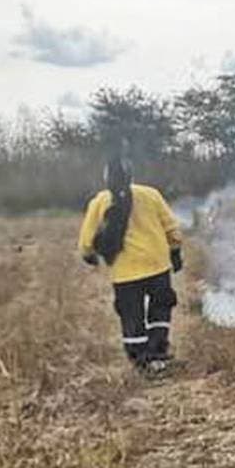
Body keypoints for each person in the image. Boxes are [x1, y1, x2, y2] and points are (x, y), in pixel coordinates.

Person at [78, 157, 183, 373]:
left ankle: (142, 361)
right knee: (161, 308)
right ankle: (158, 351)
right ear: (132, 175)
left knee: (131, 316)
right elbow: (172, 228)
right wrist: (175, 251)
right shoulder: (150, 194)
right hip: (157, 265)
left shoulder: (100, 201)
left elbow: (86, 241)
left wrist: (88, 254)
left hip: (125, 272)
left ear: (106, 178)